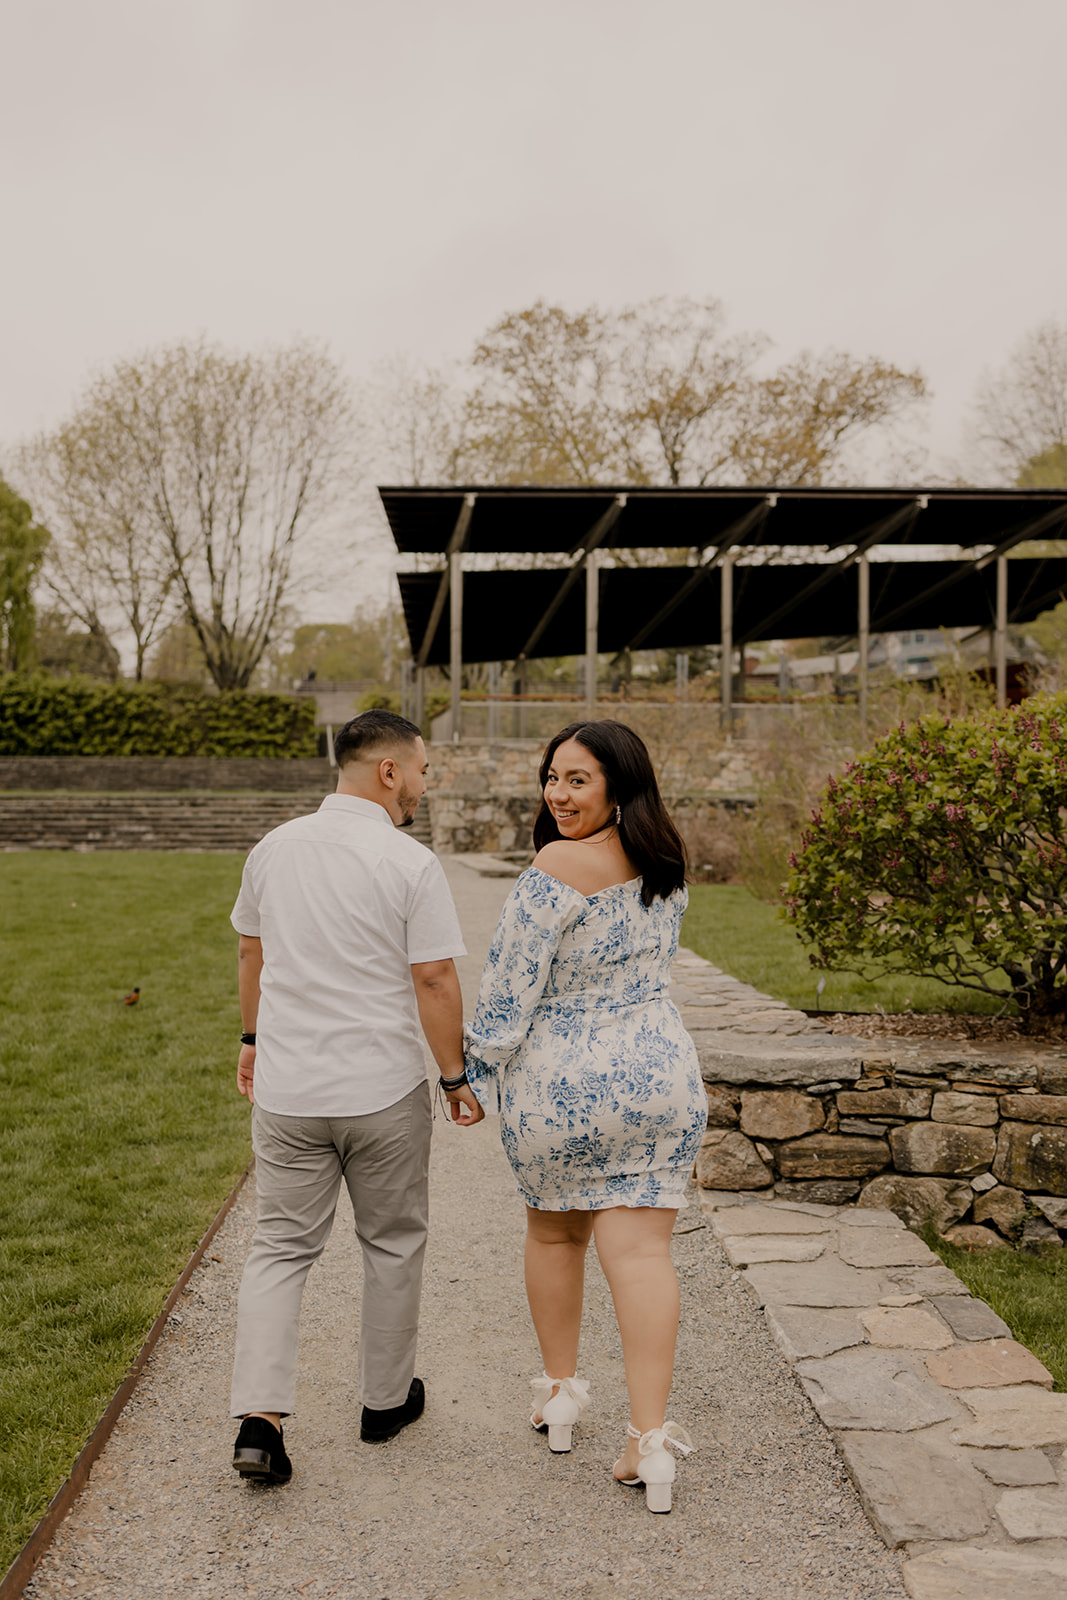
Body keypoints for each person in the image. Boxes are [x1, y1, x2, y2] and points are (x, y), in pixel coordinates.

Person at [227, 709, 482, 1486]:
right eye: (422, 770)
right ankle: (381, 1403)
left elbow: (251, 951)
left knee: (279, 1246)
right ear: (387, 771)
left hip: (291, 1088)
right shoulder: (406, 862)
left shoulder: (275, 847)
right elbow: (433, 978)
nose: (424, 785)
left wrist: (251, 1041)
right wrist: (454, 1078)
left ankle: (260, 1422)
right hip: (379, 1089)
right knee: (393, 1241)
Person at [462, 720, 706, 1514]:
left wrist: (467, 1074)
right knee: (640, 1258)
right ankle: (649, 1441)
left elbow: (506, 994)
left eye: (576, 781)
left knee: (553, 1232)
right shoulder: (662, 860)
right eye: (552, 777)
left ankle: (561, 1393)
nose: (557, 795)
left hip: (561, 1083)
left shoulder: (556, 866)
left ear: (615, 788)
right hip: (658, 1075)